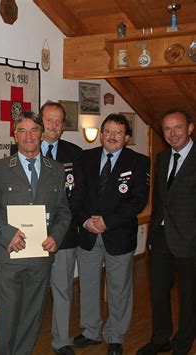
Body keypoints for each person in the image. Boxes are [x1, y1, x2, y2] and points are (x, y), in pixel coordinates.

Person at [0, 111, 71, 355]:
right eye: (22, 130)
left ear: (41, 134)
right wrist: (7, 234)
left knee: (33, 314)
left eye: (33, 130)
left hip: (41, 255)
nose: (28, 136)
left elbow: (64, 212)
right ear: (15, 136)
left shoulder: (56, 169)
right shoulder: (0, 168)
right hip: (10, 254)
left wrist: (56, 235)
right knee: (8, 312)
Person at [73, 113, 150, 355]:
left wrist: (108, 221)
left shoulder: (139, 162)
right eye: (108, 131)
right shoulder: (86, 157)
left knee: (119, 289)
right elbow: (77, 194)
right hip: (88, 234)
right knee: (88, 285)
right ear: (102, 134)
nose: (112, 136)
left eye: (118, 132)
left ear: (126, 137)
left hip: (118, 235)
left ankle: (115, 335)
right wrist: (85, 221)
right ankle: (90, 331)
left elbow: (138, 201)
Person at [137, 110, 195, 355]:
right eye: (167, 129)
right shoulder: (161, 159)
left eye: (178, 127)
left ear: (190, 128)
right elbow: (159, 202)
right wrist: (151, 237)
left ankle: (182, 343)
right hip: (161, 240)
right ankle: (160, 339)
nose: (172, 134)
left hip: (191, 241)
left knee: (189, 296)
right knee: (158, 293)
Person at [40, 101, 83, 355]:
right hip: (31, 235)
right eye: (49, 119)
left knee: (63, 290)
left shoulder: (75, 153)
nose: (54, 125)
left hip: (63, 235)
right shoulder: (23, 148)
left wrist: (61, 226)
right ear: (40, 119)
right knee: (31, 292)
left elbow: (78, 194)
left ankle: (62, 340)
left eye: (59, 121)